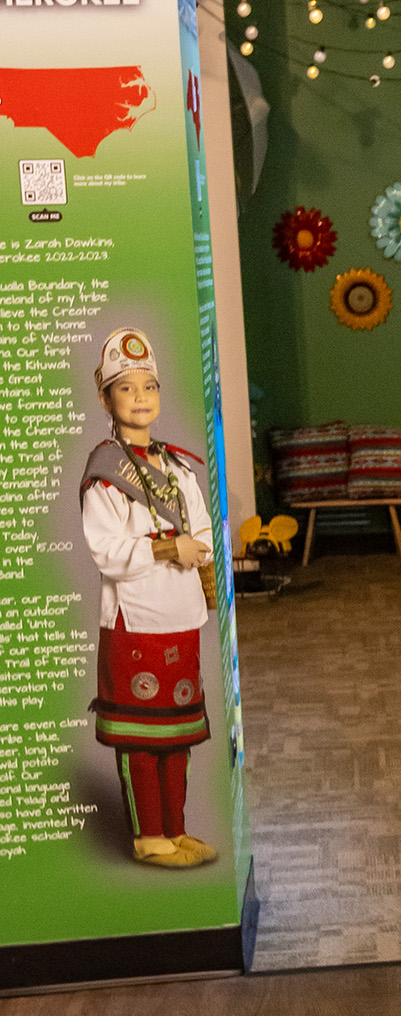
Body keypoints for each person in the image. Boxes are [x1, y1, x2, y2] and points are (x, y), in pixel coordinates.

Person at [78, 329, 219, 868]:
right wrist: (167, 547)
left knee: (178, 736)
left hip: (180, 617)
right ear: (105, 399)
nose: (140, 397)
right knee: (142, 741)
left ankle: (177, 830)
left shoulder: (180, 469)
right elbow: (106, 552)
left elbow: (205, 534)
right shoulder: (104, 474)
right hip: (134, 623)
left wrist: (194, 548)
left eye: (150, 386)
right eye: (126, 387)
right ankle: (148, 838)